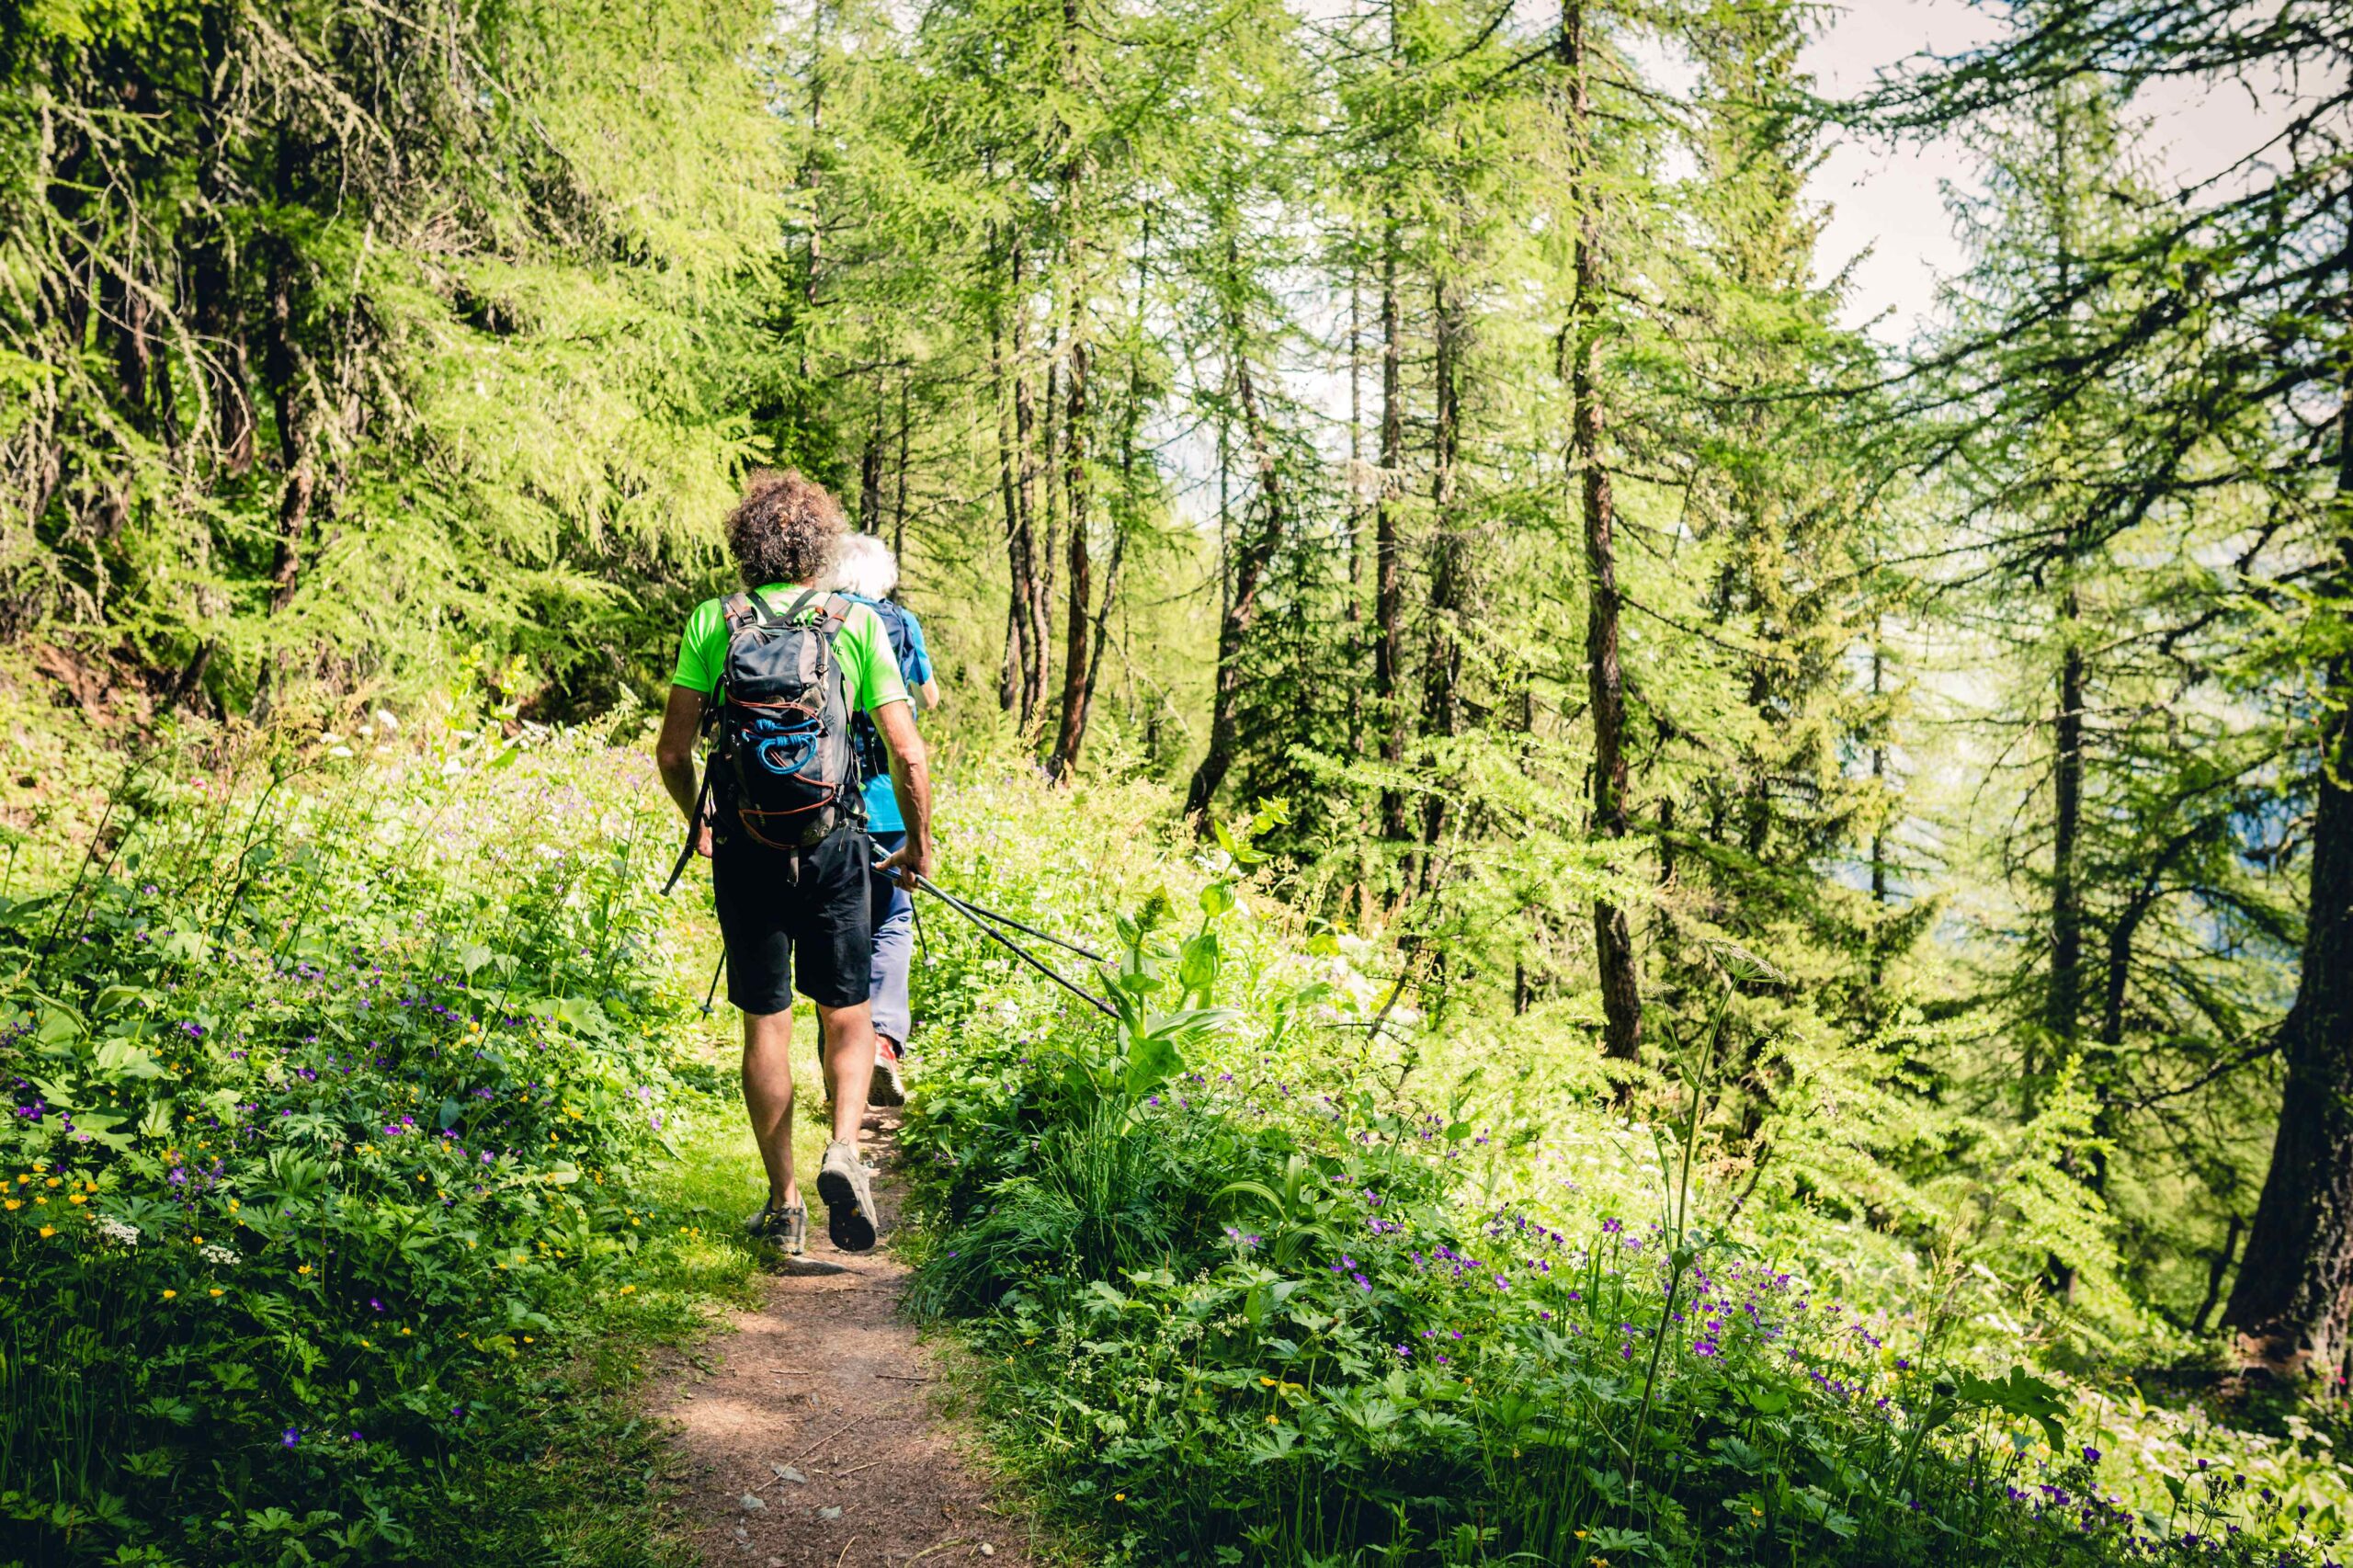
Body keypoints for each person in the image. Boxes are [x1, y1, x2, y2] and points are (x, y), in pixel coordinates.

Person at [654, 472, 936, 1256]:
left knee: (765, 1022)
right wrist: (916, 846)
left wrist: (702, 819)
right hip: (836, 840)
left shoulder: (716, 620)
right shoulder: (855, 623)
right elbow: (909, 755)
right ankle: (844, 1149)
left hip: (747, 844)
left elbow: (674, 752)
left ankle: (784, 1208)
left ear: (745, 544)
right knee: (845, 1011)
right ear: (820, 546)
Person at [827, 532, 938, 1108]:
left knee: (839, 923)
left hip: (827, 801)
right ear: (885, 577)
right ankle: (882, 1044)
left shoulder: (823, 619)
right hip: (892, 802)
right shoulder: (902, 623)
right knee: (893, 920)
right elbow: (932, 698)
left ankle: (839, 1053)